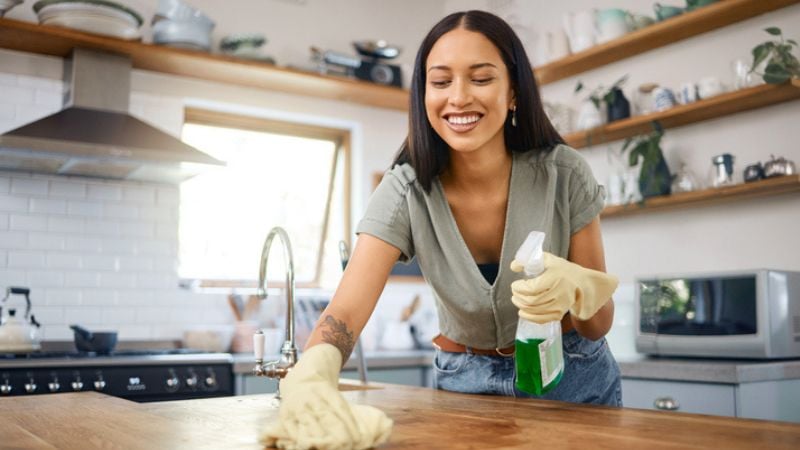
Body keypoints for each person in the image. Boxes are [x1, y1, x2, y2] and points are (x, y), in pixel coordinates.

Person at [269, 11, 621, 445]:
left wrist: (580, 289)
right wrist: (314, 371)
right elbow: (344, 313)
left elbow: (598, 325)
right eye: (440, 82)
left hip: (574, 381)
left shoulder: (564, 173)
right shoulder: (405, 190)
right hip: (465, 387)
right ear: (423, 97)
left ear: (513, 92)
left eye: (480, 78)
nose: (458, 97)